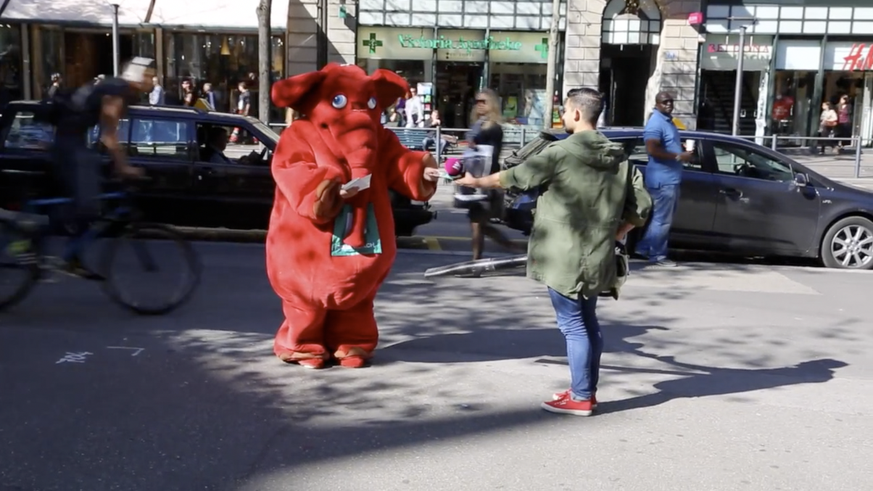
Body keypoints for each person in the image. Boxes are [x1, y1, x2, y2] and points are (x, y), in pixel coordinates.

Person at [455, 88, 652, 416]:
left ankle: (581, 396)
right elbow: (642, 206)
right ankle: (585, 390)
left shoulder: (561, 153)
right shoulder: (619, 157)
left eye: (565, 110)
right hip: (599, 255)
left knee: (573, 326)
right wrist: (616, 233)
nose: (563, 115)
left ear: (576, 114)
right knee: (588, 323)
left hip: (562, 256)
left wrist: (475, 182)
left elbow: (514, 177)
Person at [45, 57, 151, 278]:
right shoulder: (117, 90)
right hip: (69, 144)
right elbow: (109, 135)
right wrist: (124, 168)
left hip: (72, 140)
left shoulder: (114, 86)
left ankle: (71, 253)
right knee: (88, 204)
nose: (152, 79)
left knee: (90, 195)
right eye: (148, 75)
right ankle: (58, 249)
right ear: (136, 76)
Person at [460, 88, 524, 260]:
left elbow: (490, 156)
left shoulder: (493, 127)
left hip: (486, 181)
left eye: (484, 102)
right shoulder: (479, 124)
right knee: (480, 224)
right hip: (478, 179)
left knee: (477, 223)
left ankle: (476, 261)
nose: (479, 105)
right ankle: (513, 249)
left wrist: (474, 146)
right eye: (477, 101)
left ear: (492, 105)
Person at [633, 91, 693, 267]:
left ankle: (644, 248)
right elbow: (652, 149)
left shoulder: (667, 121)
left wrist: (679, 148)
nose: (669, 104)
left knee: (659, 218)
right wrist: (678, 156)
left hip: (669, 179)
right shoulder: (656, 123)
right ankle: (658, 256)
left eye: (671, 101)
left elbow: (664, 145)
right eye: (665, 102)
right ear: (657, 104)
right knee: (663, 220)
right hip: (663, 180)